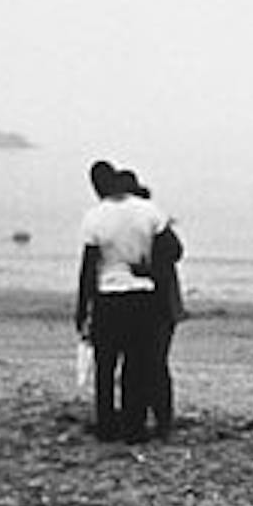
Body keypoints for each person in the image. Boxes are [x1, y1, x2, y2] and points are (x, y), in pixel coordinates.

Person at [76, 161, 178, 442]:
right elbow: (171, 249)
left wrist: (82, 307)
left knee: (105, 364)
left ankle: (107, 425)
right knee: (136, 363)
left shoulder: (95, 216)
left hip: (108, 295)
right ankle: (134, 426)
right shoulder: (149, 211)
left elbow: (88, 267)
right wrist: (151, 271)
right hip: (143, 294)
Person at [118, 169, 184, 440]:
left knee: (149, 364)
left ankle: (156, 421)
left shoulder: (149, 221)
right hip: (148, 304)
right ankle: (146, 420)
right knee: (144, 364)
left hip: (158, 305)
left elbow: (174, 252)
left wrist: (145, 269)